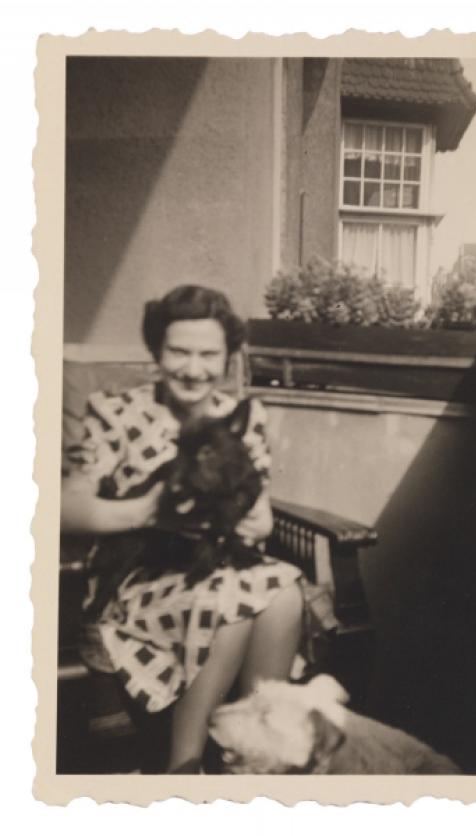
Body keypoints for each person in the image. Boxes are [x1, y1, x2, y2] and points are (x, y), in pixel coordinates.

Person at [61, 285, 304, 774]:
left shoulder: (243, 416)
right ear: (157, 350)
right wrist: (147, 512)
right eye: (179, 352)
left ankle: (255, 757)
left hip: (218, 564)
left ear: (228, 357)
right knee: (234, 601)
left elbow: (258, 510)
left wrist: (259, 518)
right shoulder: (116, 412)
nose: (194, 369)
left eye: (209, 354)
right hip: (137, 578)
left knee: (285, 595)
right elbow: (65, 508)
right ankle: (185, 765)